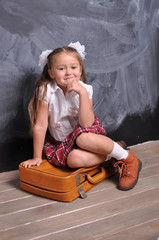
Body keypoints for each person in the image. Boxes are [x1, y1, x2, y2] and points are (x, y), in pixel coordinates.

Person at [23, 41, 142, 191]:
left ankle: (129, 159)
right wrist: (37, 157)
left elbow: (86, 124)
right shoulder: (45, 91)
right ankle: (113, 152)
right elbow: (40, 126)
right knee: (73, 160)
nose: (68, 73)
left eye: (73, 67)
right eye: (61, 68)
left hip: (86, 133)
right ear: (51, 73)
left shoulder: (86, 89)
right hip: (61, 142)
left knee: (82, 137)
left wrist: (82, 93)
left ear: (80, 70)